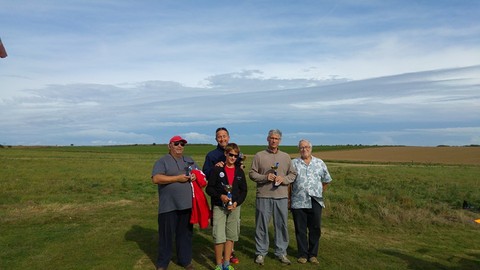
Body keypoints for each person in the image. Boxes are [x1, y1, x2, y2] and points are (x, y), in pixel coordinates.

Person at [249, 129, 297, 265]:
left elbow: (293, 174)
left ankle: (281, 252)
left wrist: (284, 179)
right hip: (263, 195)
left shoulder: (286, 157)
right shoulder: (259, 155)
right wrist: (265, 177)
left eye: (276, 138)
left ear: (280, 140)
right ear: (267, 139)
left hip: (281, 196)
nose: (274, 140)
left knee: (281, 225)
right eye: (271, 138)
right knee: (261, 225)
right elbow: (252, 174)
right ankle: (260, 253)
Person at [151, 135, 198, 270]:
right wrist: (177, 178)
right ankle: (162, 264)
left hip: (187, 205)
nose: (179, 146)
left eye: (182, 144)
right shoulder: (162, 161)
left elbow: (199, 173)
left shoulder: (189, 160)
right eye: (176, 143)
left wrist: (195, 176)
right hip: (168, 206)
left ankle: (185, 261)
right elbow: (156, 178)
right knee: (166, 236)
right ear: (169, 146)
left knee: (185, 235)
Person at [202, 127, 242, 264]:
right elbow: (205, 173)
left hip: (233, 198)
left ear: (228, 137)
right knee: (219, 226)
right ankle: (220, 259)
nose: (222, 138)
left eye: (224, 136)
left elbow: (238, 171)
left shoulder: (235, 151)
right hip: (218, 197)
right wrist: (216, 168)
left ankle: (230, 253)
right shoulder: (211, 155)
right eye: (219, 136)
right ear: (216, 139)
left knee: (231, 227)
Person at [206, 143, 248, 270]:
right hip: (219, 207)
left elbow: (244, 190)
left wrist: (236, 203)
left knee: (231, 236)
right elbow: (209, 189)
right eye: (231, 155)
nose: (233, 158)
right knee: (219, 236)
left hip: (234, 208)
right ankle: (218, 265)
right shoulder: (217, 169)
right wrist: (221, 197)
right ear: (226, 154)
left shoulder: (239, 171)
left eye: (235, 156)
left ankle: (226, 264)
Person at [291, 139, 332, 265]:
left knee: (315, 228)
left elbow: (326, 180)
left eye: (307, 147)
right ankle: (303, 254)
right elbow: (289, 183)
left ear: (311, 148)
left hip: (315, 200)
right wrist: (288, 199)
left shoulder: (320, 163)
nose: (304, 149)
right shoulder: (293, 163)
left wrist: (318, 191)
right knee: (300, 229)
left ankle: (313, 255)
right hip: (298, 201)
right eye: (302, 147)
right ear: (299, 149)